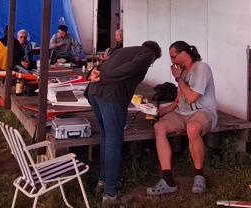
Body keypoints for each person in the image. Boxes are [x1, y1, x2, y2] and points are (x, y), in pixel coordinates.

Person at [87, 40, 162, 206]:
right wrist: (104, 77)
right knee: (113, 142)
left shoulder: (122, 51)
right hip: (111, 96)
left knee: (106, 138)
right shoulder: (147, 55)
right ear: (154, 56)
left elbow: (100, 67)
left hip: (94, 93)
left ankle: (104, 182)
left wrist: (92, 75)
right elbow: (128, 69)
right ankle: (110, 194)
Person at [147, 41, 217, 196]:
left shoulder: (201, 68)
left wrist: (178, 78)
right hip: (182, 113)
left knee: (192, 128)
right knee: (159, 127)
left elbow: (192, 97)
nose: (172, 61)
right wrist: (161, 111)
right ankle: (167, 180)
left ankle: (199, 176)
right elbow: (179, 99)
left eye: (173, 57)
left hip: (203, 112)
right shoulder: (183, 72)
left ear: (183, 53)